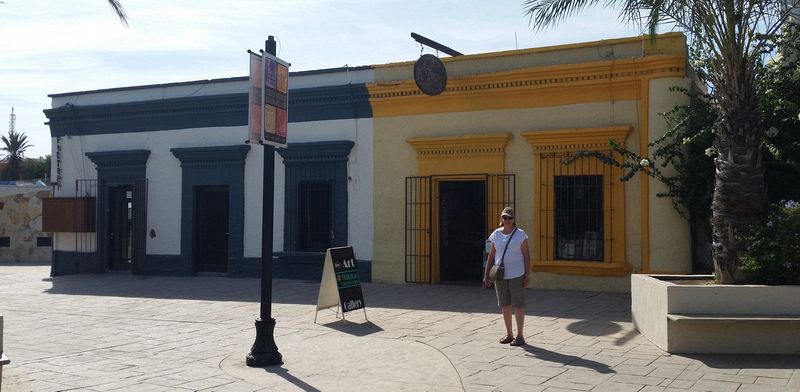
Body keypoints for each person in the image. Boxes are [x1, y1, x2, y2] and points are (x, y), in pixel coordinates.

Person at [483, 207, 531, 346]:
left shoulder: (520, 235)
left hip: (517, 274)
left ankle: (520, 335)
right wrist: (486, 275)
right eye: (505, 218)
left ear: (514, 219)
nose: (507, 220)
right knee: (505, 304)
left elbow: (527, 256)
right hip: (500, 275)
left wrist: (527, 275)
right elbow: (491, 255)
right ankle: (509, 334)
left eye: (510, 218)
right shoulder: (496, 234)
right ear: (501, 219)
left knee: (518, 305)